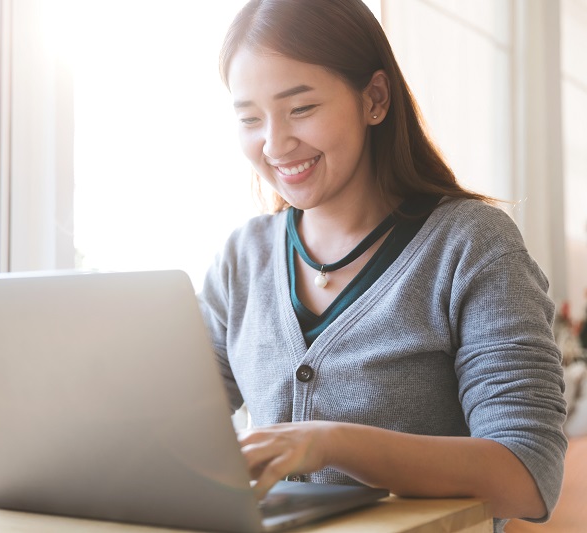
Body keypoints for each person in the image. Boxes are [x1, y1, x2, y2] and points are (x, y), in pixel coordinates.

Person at [196, 1, 568, 531]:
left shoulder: (471, 244)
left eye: (300, 108)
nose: (275, 144)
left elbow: (529, 473)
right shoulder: (243, 256)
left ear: (374, 98)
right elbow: (171, 421)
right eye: (250, 118)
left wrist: (329, 443)